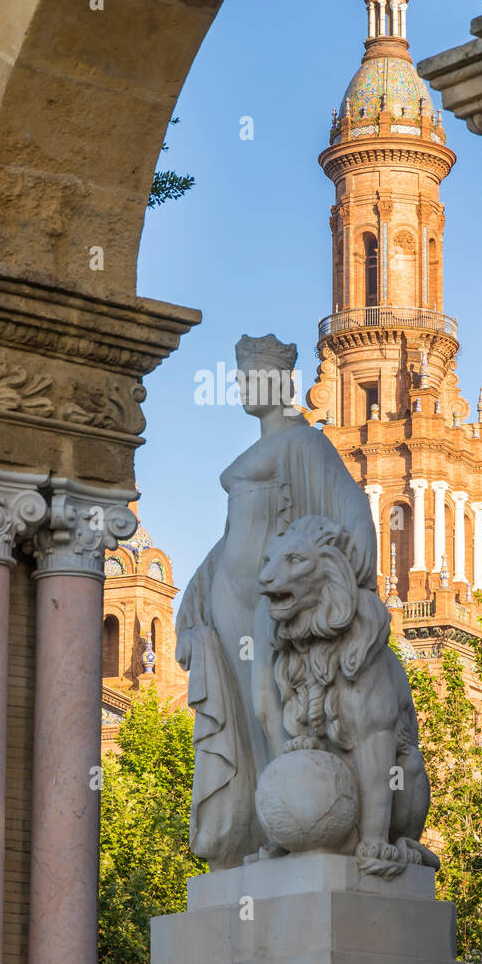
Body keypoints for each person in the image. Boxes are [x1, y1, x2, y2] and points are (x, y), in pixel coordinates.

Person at [176, 333, 376, 869]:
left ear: (281, 381)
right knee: (243, 710)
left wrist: (349, 581)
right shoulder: (270, 446)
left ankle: (294, 823)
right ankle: (259, 830)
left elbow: (351, 508)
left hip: (270, 601)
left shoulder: (304, 443)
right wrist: (197, 589)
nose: (242, 384)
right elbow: (231, 533)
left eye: (251, 374)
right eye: (240, 374)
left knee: (274, 706)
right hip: (227, 597)